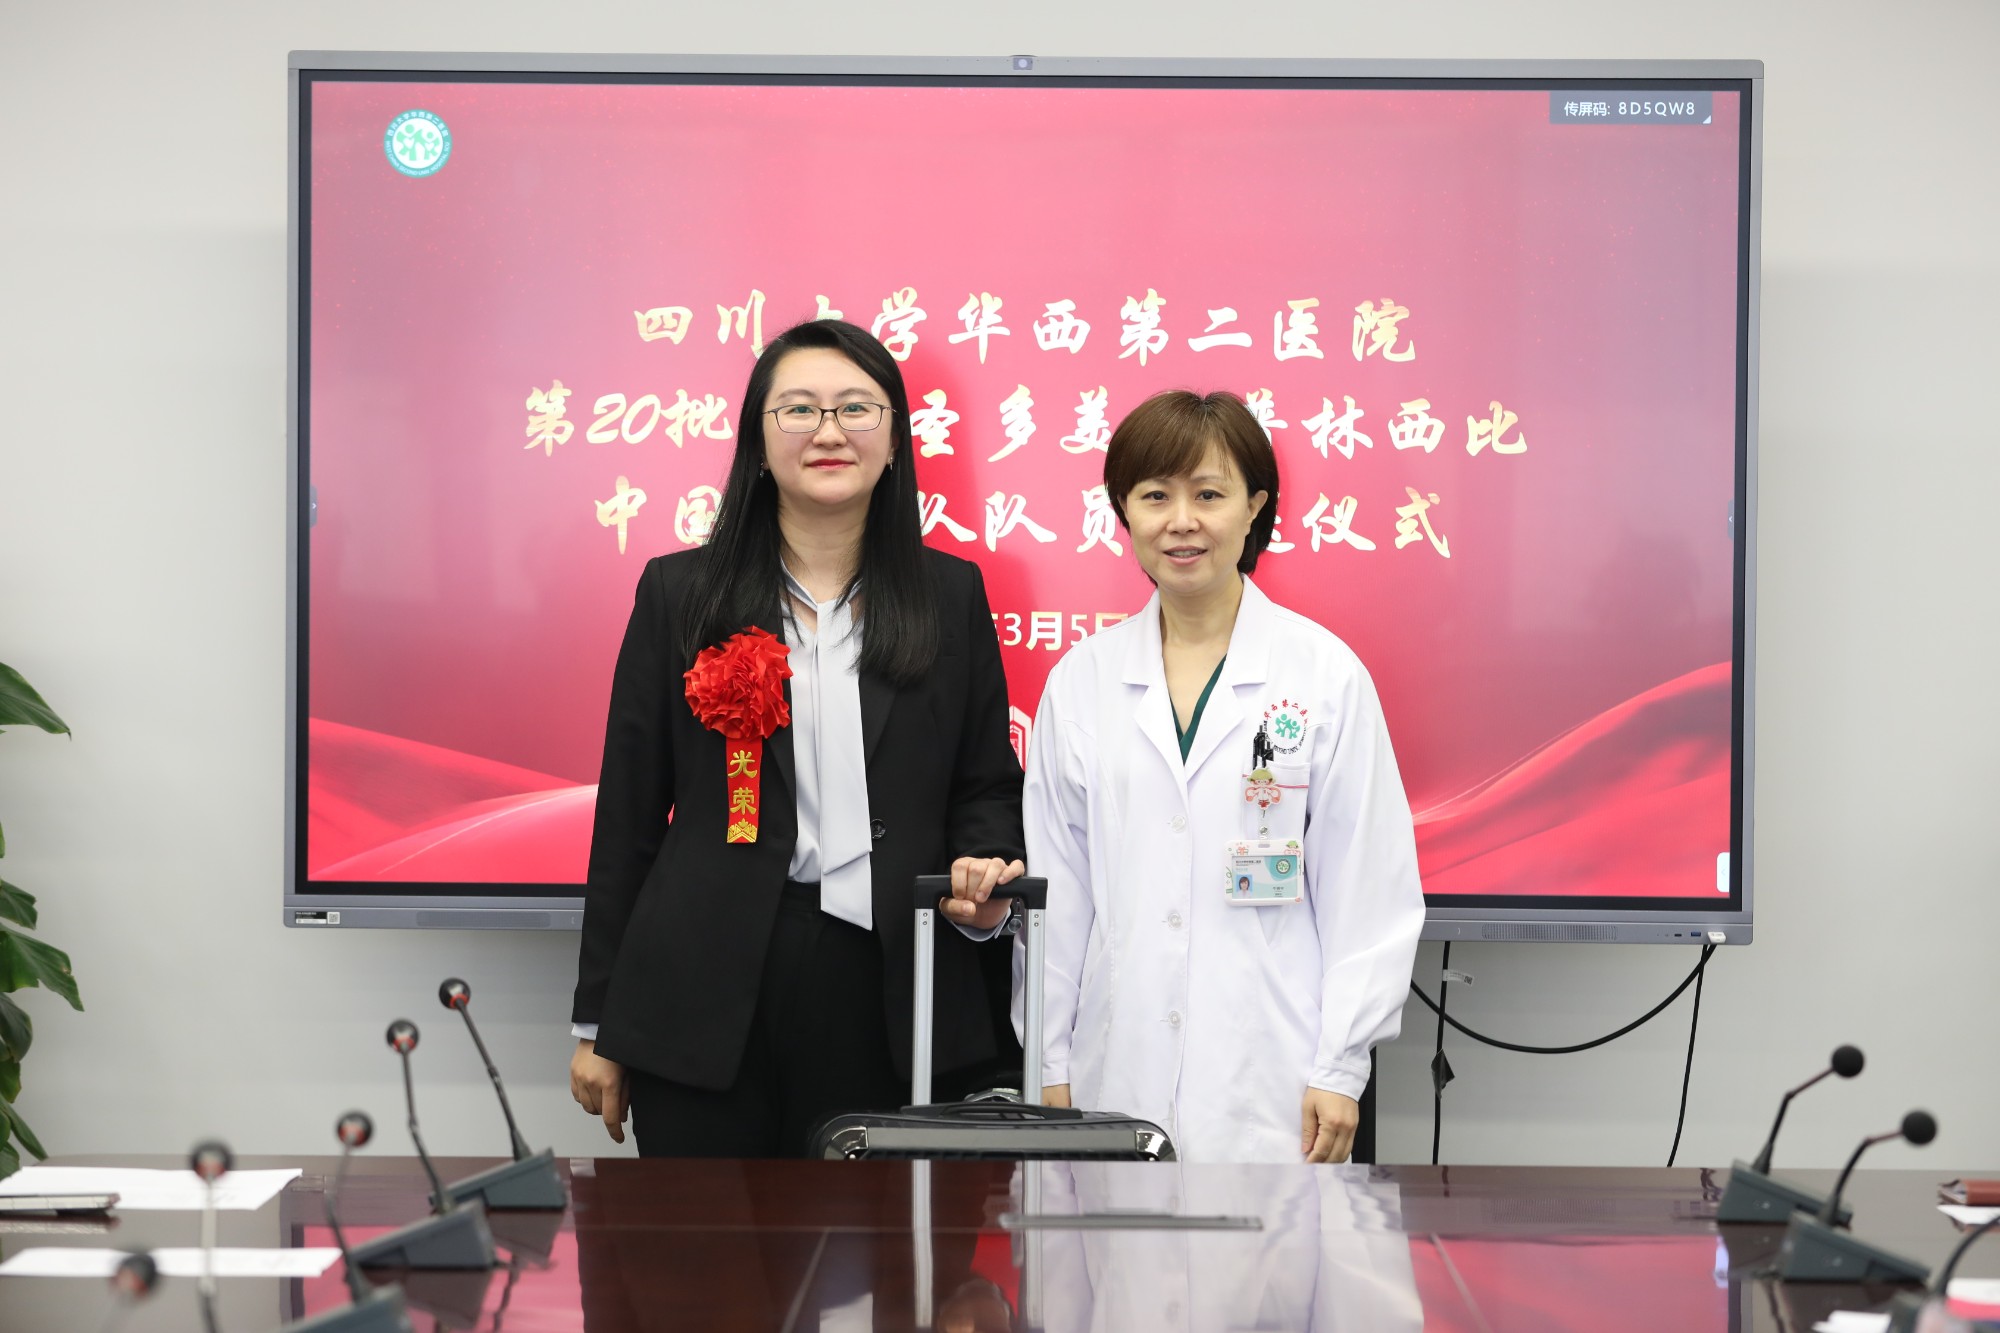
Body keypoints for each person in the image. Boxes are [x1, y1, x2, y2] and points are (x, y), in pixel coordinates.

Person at [569, 318, 1025, 1157]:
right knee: (702, 1240)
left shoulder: (949, 595)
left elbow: (984, 783)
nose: (828, 431)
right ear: (758, 437)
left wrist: (985, 874)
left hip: (887, 979)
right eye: (800, 409)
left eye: (856, 408)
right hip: (702, 982)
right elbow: (628, 816)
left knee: (876, 1240)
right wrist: (598, 1019)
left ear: (894, 439)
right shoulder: (681, 593)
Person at [958, 389, 1423, 1164]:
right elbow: (1059, 897)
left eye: (1209, 494)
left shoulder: (1323, 675)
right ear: (1124, 510)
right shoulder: (1082, 681)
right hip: (1114, 1064)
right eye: (1155, 496)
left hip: (1276, 1074)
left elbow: (1369, 891)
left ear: (1254, 507)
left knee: (1278, 1241)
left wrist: (1341, 1066)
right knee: (1111, 1238)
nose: (1182, 521)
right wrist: (1048, 1062)